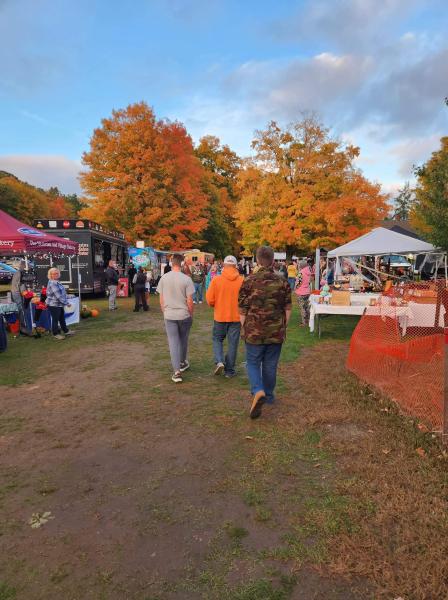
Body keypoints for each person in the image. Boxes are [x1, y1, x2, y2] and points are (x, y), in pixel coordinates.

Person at [238, 246, 291, 419]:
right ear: (273, 260)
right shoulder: (282, 281)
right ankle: (268, 395)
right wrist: (283, 325)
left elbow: (242, 309)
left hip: (254, 331)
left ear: (258, 260)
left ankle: (258, 391)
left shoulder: (249, 280)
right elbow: (288, 308)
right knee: (270, 364)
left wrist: (243, 327)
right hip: (275, 332)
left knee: (253, 363)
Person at [156, 254, 195, 383]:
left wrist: (165, 312)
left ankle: (177, 371)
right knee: (183, 340)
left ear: (172, 263)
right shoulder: (187, 279)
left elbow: (161, 300)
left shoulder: (164, 278)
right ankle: (182, 362)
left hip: (170, 315)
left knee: (173, 342)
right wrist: (190, 314)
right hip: (183, 314)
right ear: (182, 263)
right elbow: (190, 301)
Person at [206, 255, 243, 378]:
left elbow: (209, 299)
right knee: (233, 344)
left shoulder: (216, 280)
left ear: (224, 265)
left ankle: (219, 361)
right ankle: (229, 371)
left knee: (217, 339)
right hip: (236, 317)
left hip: (220, 316)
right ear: (235, 266)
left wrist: (215, 304)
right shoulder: (242, 280)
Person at [46, 267, 75, 340]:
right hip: (53, 304)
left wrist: (69, 296)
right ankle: (56, 334)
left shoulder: (57, 282)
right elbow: (58, 296)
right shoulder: (52, 283)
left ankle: (66, 331)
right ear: (51, 275)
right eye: (54, 274)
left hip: (59, 304)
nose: (56, 274)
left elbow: (62, 293)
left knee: (62, 318)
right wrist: (66, 303)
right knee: (55, 319)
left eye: (57, 273)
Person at [10, 260, 31, 335]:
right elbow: (20, 285)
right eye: (27, 265)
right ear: (23, 265)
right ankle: (23, 328)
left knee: (21, 309)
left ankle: (22, 327)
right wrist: (25, 293)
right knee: (20, 310)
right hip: (16, 293)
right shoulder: (19, 273)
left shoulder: (19, 272)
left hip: (17, 292)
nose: (28, 266)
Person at [295, 259, 312, 327]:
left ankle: (304, 322)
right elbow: (309, 281)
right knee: (307, 307)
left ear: (301, 265)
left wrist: (295, 287)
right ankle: (308, 320)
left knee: (302, 307)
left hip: (301, 292)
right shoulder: (308, 271)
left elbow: (298, 283)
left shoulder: (301, 272)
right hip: (307, 291)